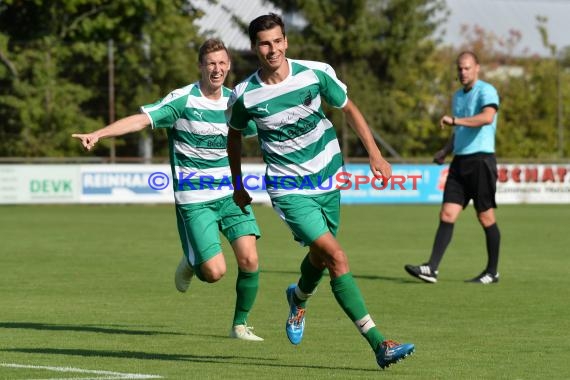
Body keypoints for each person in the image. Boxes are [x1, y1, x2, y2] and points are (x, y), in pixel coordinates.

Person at [225, 13, 414, 369]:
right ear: (254, 48)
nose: (273, 49)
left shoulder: (315, 73)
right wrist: (237, 184)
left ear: (286, 41)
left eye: (278, 40)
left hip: (329, 179)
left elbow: (349, 109)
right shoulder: (245, 94)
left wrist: (375, 154)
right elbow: (233, 135)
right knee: (337, 257)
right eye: (264, 43)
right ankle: (379, 343)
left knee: (320, 257)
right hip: (288, 190)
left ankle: (297, 299)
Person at [72, 39, 264, 341]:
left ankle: (240, 325)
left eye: (222, 63)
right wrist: (100, 133)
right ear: (200, 66)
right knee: (214, 273)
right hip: (195, 199)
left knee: (250, 260)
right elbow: (142, 119)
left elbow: (264, 126)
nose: (217, 69)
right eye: (211, 63)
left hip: (231, 194)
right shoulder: (183, 100)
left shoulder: (234, 102)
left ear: (229, 66)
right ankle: (192, 261)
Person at [405, 51, 501, 285]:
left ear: (477, 68)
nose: (463, 72)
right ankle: (432, 268)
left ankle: (492, 272)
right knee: (447, 214)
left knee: (486, 217)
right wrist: (445, 150)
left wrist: (454, 121)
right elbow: (459, 130)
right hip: (460, 162)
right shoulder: (457, 96)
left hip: (481, 161)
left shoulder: (487, 91)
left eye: (467, 68)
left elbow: (487, 118)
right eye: (460, 68)